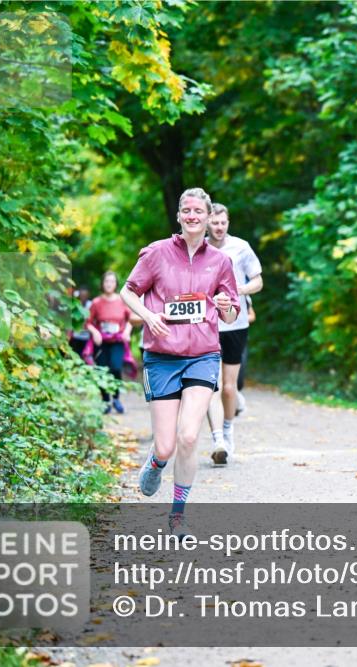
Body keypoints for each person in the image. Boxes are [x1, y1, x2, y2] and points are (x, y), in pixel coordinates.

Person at [121, 187, 240, 536]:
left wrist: (226, 307)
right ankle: (157, 462)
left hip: (203, 355)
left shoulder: (221, 262)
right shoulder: (157, 253)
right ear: (178, 216)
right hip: (161, 356)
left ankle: (177, 516)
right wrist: (148, 315)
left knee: (189, 437)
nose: (192, 216)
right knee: (166, 445)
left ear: (207, 217)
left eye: (198, 211)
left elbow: (232, 313)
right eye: (186, 210)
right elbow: (129, 290)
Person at [203, 203, 263, 464]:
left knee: (229, 388)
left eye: (223, 223)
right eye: (214, 223)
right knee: (211, 386)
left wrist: (238, 289)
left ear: (228, 223)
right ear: (207, 223)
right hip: (206, 325)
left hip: (236, 325)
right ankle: (217, 439)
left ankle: (228, 431)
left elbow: (258, 281)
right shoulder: (198, 248)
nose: (219, 227)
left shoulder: (241, 247)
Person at [85, 271, 132, 414]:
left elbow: (131, 319)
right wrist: (95, 332)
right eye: (106, 281)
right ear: (102, 284)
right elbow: (87, 322)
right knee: (102, 370)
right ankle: (105, 400)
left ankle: (116, 398)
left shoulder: (122, 300)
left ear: (116, 284)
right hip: (101, 343)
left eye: (112, 281)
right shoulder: (96, 302)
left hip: (117, 341)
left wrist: (127, 332)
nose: (109, 284)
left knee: (116, 368)